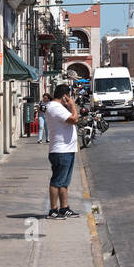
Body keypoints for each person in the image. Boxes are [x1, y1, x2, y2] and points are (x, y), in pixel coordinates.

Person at [42, 84, 80, 220]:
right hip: (61, 151)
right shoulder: (55, 107)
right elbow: (74, 119)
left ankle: (64, 208)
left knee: (64, 182)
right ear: (65, 96)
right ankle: (53, 210)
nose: (70, 99)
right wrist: (72, 106)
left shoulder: (57, 107)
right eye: (69, 96)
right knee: (57, 181)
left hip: (67, 150)